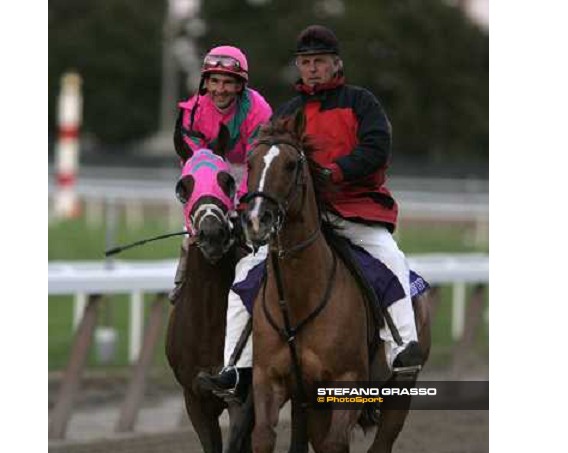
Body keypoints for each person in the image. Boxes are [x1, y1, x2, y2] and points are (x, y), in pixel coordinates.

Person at [202, 25, 422, 395]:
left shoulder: (361, 102)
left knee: (391, 257)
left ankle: (403, 346)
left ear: (336, 64)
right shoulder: (288, 113)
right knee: (245, 272)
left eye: (319, 61)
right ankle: (236, 367)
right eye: (305, 63)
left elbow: (376, 147)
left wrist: (335, 171)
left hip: (356, 210)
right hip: (301, 218)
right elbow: (266, 162)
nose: (312, 69)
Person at [169, 45, 273, 304]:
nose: (220, 89)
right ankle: (182, 278)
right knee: (196, 227)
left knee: (258, 231)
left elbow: (257, 163)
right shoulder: (192, 111)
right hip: (210, 174)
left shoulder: (258, 109)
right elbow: (194, 170)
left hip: (251, 168)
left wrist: (241, 204)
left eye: (228, 82)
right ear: (205, 83)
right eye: (214, 81)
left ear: (240, 86)